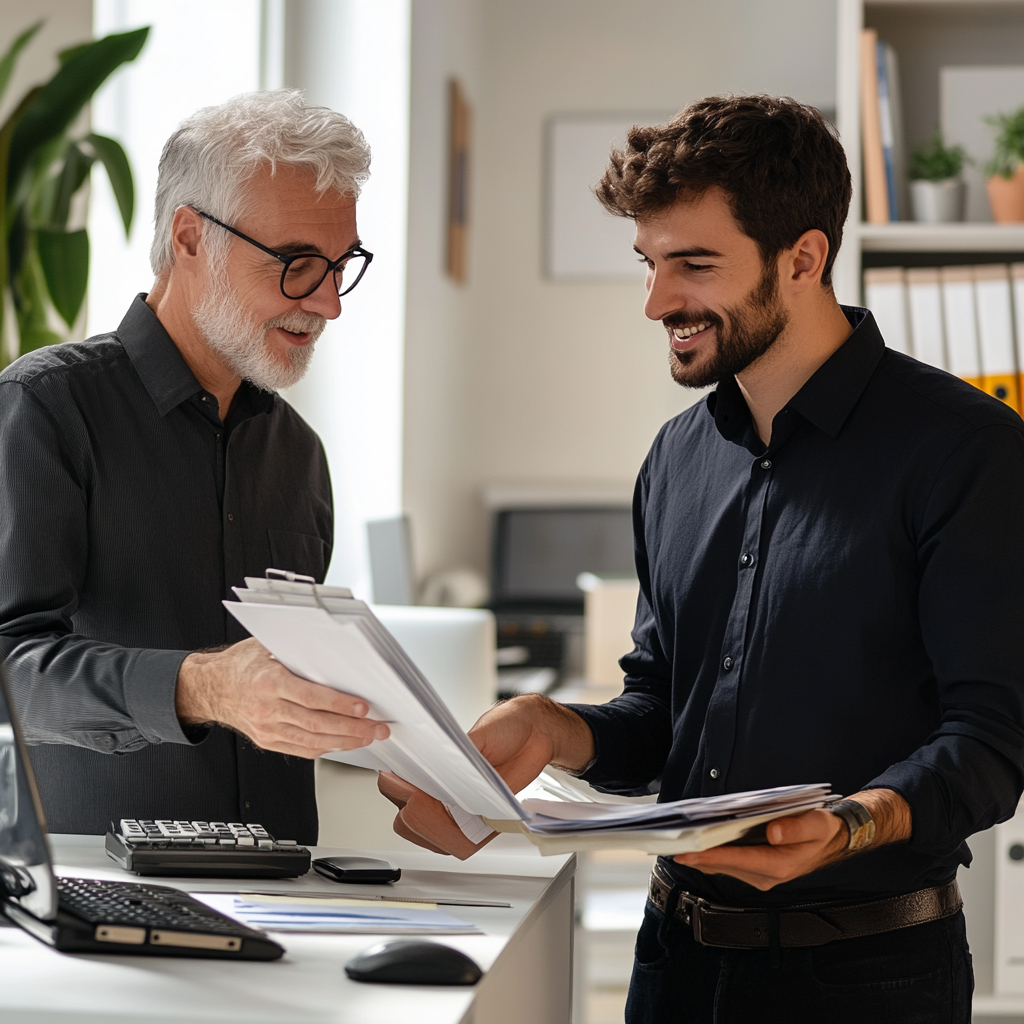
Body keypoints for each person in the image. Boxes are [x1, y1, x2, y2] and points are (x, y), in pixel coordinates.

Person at [379, 95, 1024, 1022]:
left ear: (804, 258)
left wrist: (848, 827)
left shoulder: (966, 450)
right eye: (649, 263)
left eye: (694, 264)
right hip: (673, 963)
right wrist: (555, 729)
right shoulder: (676, 459)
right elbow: (660, 711)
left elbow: (993, 743)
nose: (656, 302)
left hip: (869, 979)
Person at [0, 90, 390, 845]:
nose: (329, 304)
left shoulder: (298, 455)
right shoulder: (42, 409)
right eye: (298, 265)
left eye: (342, 266)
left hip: (284, 905)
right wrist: (201, 687)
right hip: (98, 903)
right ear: (188, 238)